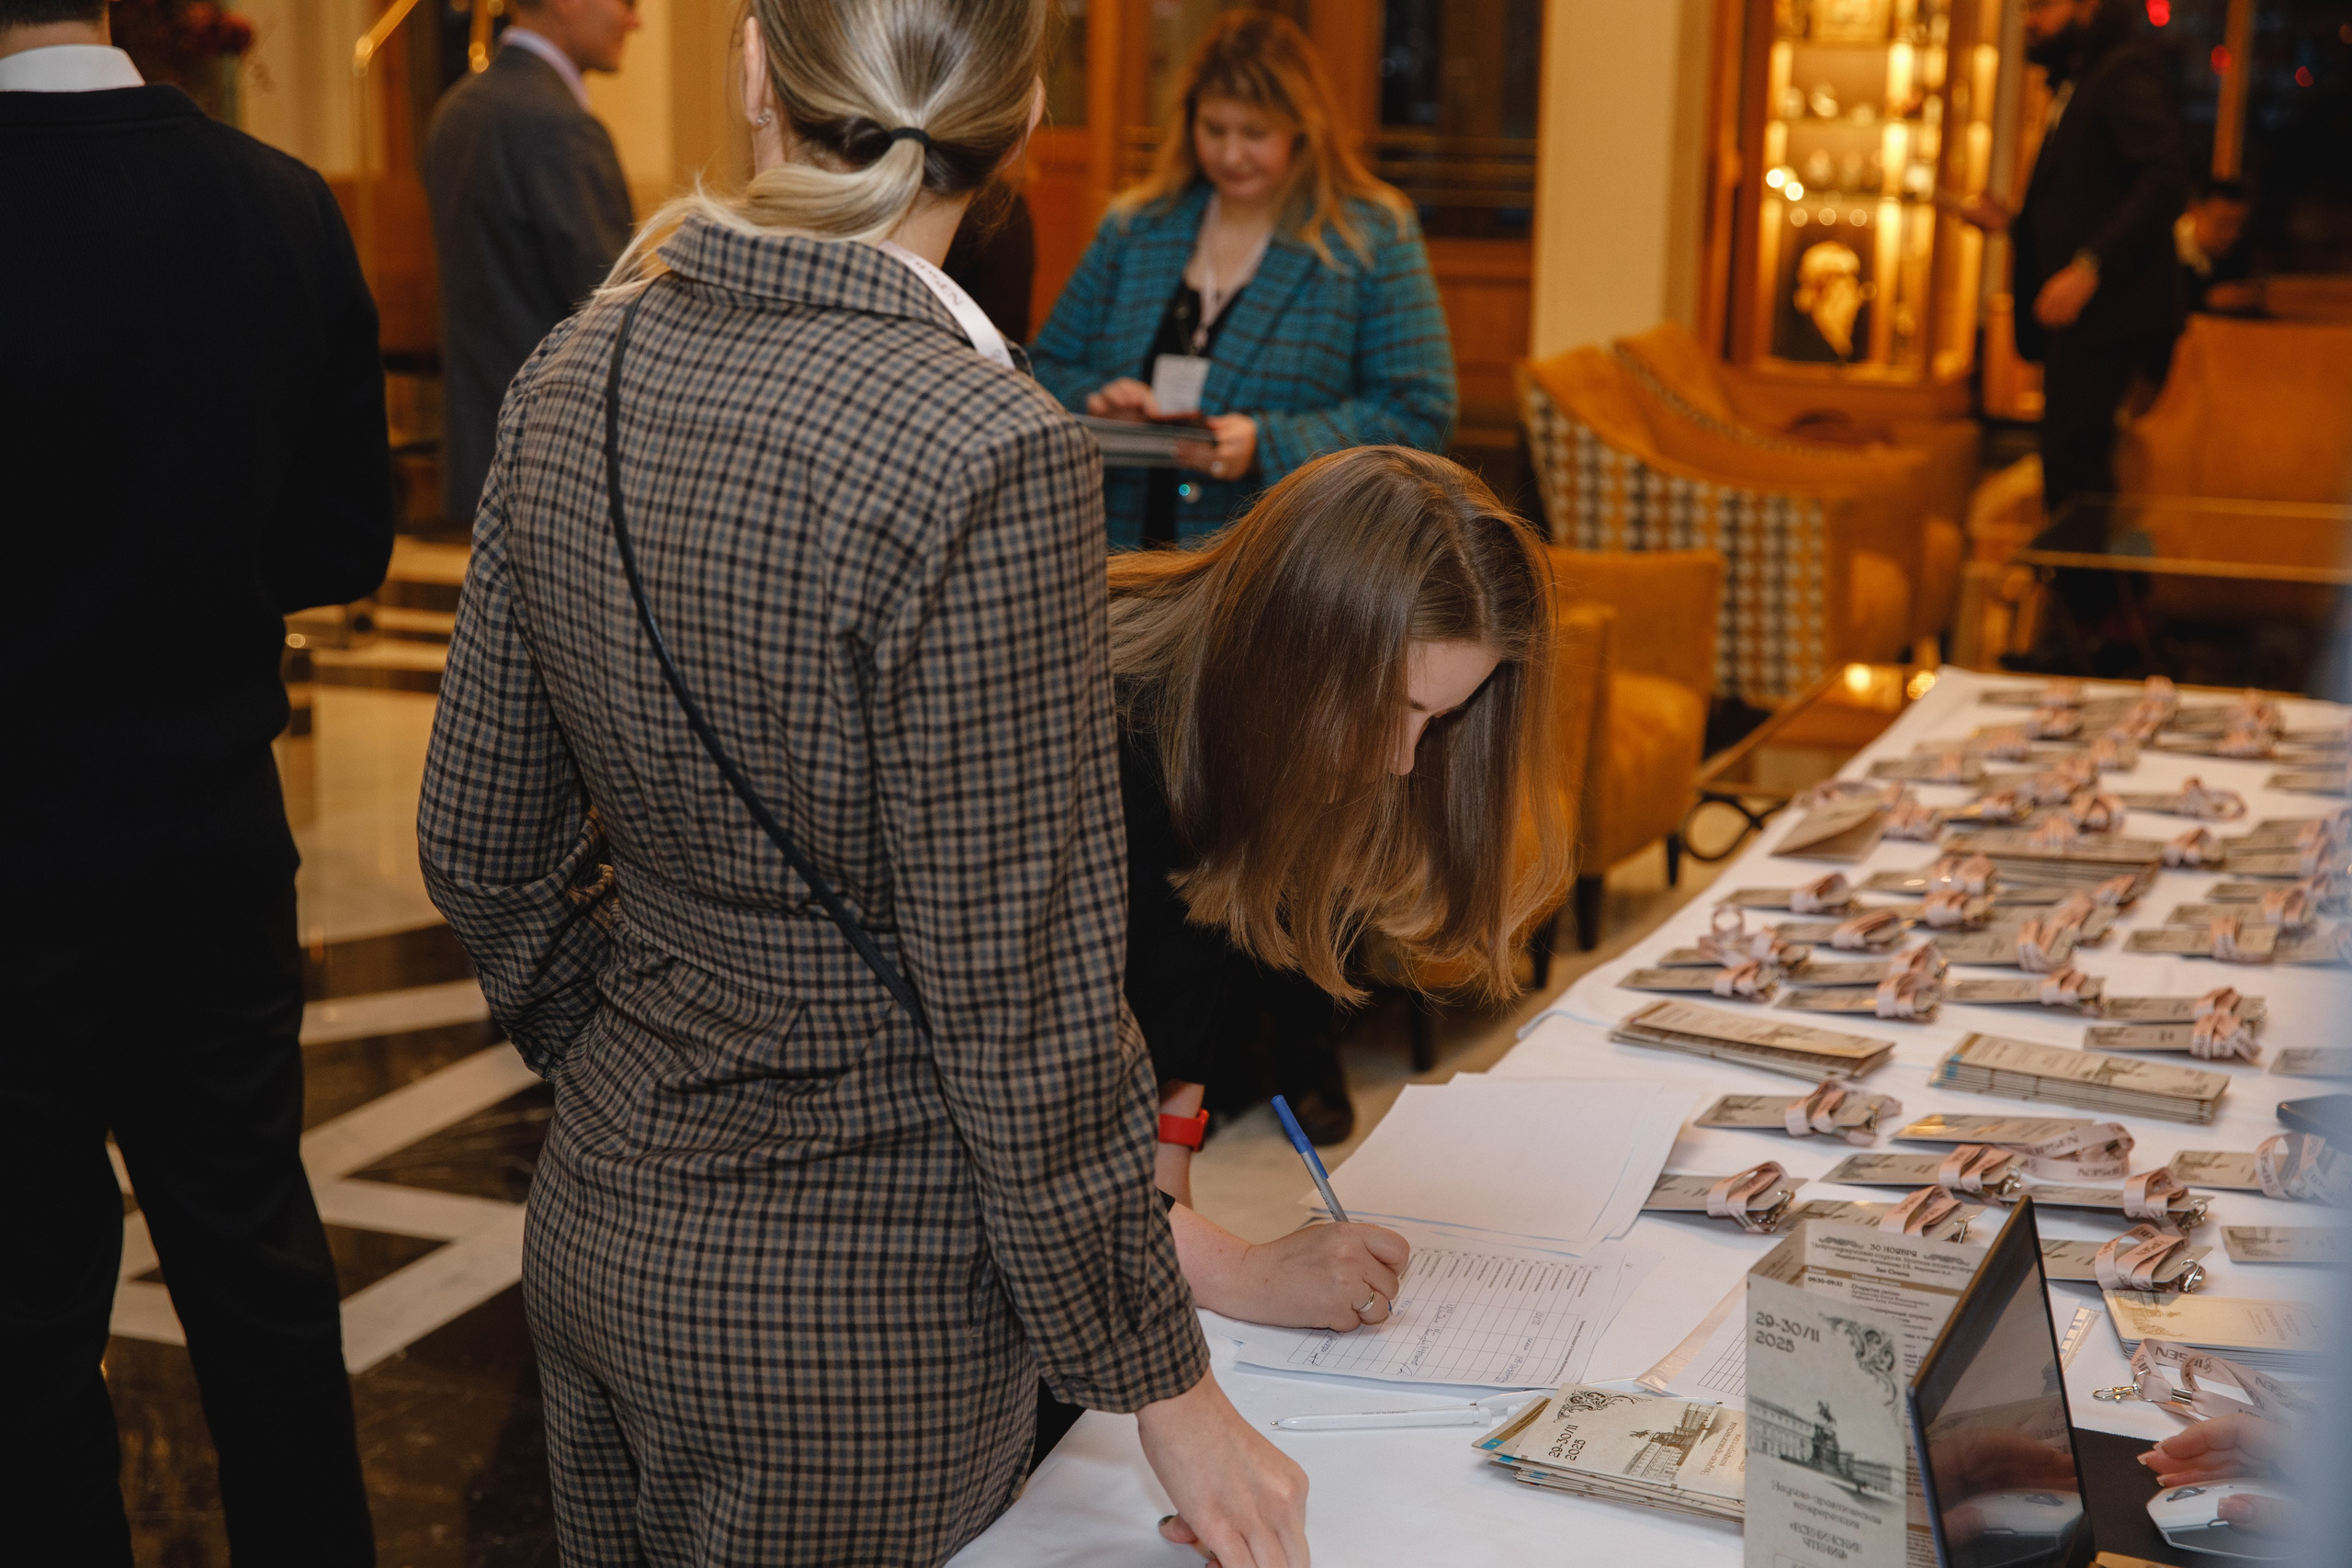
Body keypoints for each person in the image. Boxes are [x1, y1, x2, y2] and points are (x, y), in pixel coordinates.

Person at [414, 3, 1308, 1564]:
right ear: (1021, 125)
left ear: (756, 72)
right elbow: (1022, 997)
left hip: (600, 1233)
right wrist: (1165, 1379)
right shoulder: (988, 445)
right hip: (864, 1313)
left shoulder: (577, 366)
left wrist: (630, 1064)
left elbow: (477, 848)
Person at [0, 1, 394, 1562]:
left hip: (9, 862)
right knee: (256, 1267)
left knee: (24, 1313)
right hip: (212, 838)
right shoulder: (281, 202)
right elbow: (339, 543)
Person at [1025, 445, 1573, 1461]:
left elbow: (1161, 1071)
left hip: (1085, 1253)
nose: (1399, 763)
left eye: (1438, 723)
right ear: (1293, 640)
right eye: (1393, 713)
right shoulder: (1084, 747)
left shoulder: (1251, 745)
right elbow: (1023, 1140)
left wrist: (1170, 1245)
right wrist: (1232, 1271)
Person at [1031, 10, 1456, 551]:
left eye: (1254, 133)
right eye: (1214, 129)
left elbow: (1421, 414)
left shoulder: (1369, 236)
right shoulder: (1136, 228)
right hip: (1124, 559)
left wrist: (1268, 444)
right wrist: (1097, 400)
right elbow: (1042, 369)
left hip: (1281, 566)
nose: (1231, 155)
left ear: (1302, 127)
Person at [1954, 0, 2188, 667]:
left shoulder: (2122, 74)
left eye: (2041, 7)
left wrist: (2090, 265)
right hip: (2083, 316)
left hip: (2110, 315)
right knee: (2070, 468)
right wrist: (2016, 224)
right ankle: (2096, 629)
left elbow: (2165, 178)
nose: (2029, 20)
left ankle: (2102, 635)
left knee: (2078, 470)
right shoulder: (2080, 81)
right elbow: (2085, 197)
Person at [424, 0, 639, 527]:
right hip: (561, 461)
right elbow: (616, 312)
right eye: (627, 2)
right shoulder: (558, 125)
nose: (636, 20)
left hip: (482, 446)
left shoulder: (454, 110)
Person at [2177, 177, 2259, 316]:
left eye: (2240, 225)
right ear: (2194, 212)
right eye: (2224, 223)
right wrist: (2206, 301)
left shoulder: (2237, 249)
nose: (2233, 234)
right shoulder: (2164, 248)